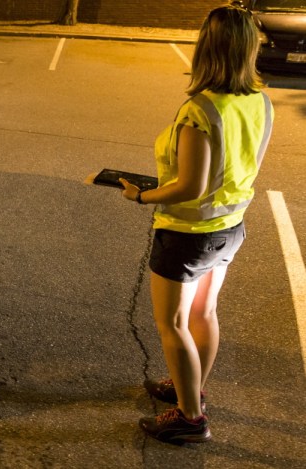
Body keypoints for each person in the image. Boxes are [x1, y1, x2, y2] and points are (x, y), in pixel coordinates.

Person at [120, 4, 273, 444]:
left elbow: (189, 186)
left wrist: (141, 195)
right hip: (230, 227)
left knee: (172, 323)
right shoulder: (260, 102)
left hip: (188, 235)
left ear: (207, 48)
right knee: (205, 312)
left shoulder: (199, 111)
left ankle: (190, 416)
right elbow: (244, 166)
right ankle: (190, 387)